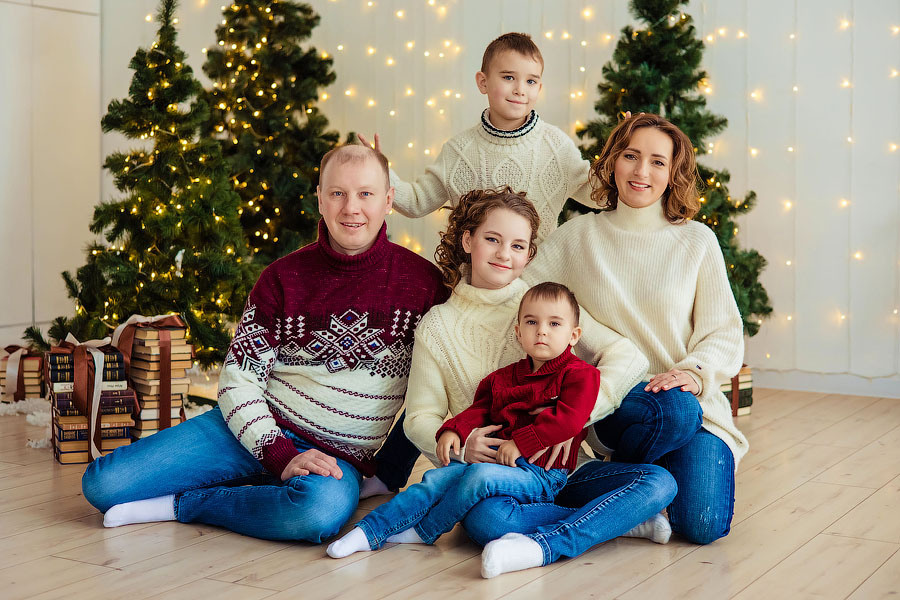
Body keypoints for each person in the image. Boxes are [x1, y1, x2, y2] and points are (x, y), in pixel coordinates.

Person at [80, 144, 448, 542]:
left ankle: (185, 504)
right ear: (320, 199)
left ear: (389, 200)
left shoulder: (425, 285)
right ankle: (260, 478)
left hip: (335, 457)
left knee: (316, 513)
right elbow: (238, 381)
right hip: (249, 429)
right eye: (338, 193)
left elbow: (434, 393)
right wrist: (277, 453)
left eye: (366, 194)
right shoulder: (282, 278)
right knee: (103, 485)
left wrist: (390, 469)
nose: (351, 208)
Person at [482, 112, 748, 548]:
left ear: (673, 174)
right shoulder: (577, 236)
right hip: (614, 402)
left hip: (690, 401)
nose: (642, 171)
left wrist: (694, 372)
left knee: (703, 526)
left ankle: (630, 487)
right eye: (631, 156)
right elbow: (523, 293)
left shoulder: (697, 240)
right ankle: (633, 489)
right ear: (613, 161)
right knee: (675, 412)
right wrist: (583, 327)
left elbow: (724, 331)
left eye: (658, 162)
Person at [395, 187, 676, 578]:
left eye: (517, 245)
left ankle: (546, 543)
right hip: (497, 477)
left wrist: (571, 418)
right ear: (467, 240)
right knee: (487, 522)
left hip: (564, 471)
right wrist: (463, 445)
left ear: (529, 255)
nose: (503, 254)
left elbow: (629, 357)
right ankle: (614, 520)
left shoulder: (543, 306)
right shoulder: (437, 327)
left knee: (660, 483)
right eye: (492, 239)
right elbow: (418, 418)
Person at [327, 282, 600, 559]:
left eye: (554, 324)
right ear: (518, 332)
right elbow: (479, 410)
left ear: (573, 335)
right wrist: (454, 431)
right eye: (532, 322)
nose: (541, 330)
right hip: (496, 461)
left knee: (479, 476)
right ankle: (369, 531)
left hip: (541, 474)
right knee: (434, 479)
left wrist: (521, 443)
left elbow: (570, 419)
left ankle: (425, 531)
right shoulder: (502, 378)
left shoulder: (580, 374)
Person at [359, 32, 594, 243]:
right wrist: (381, 171)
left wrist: (617, 155)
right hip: (474, 277)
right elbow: (416, 202)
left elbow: (598, 195)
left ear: (539, 88)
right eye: (508, 77)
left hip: (539, 276)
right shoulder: (459, 151)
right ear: (483, 82)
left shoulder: (556, 146)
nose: (520, 89)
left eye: (530, 81)